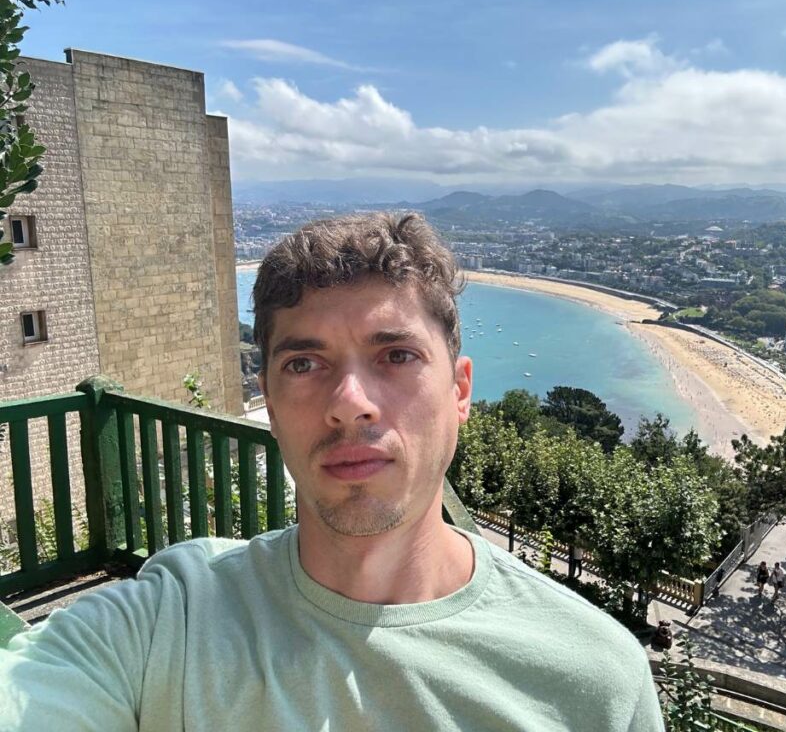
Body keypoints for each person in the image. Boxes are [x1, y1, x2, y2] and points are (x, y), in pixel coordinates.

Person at [0, 213, 664, 731]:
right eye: (304, 364)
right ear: (268, 395)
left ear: (461, 392)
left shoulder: (594, 680)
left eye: (397, 355)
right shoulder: (172, 617)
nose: (350, 404)